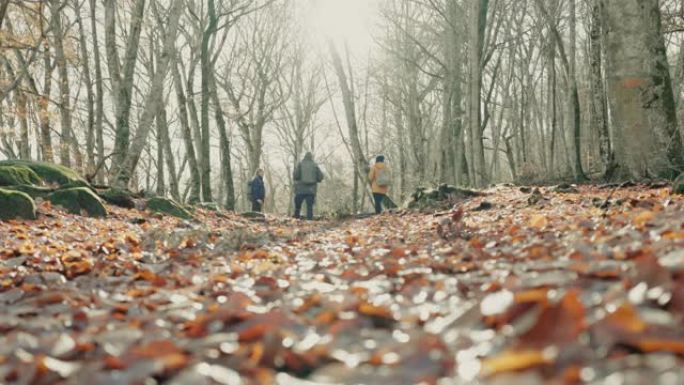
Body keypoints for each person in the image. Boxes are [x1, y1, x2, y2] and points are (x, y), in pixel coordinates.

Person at [293, 152, 324, 220]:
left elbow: (295, 176)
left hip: (300, 189)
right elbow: (320, 177)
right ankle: (309, 221)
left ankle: (296, 220)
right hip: (311, 190)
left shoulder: (300, 164)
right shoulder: (315, 165)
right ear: (311, 157)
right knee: (309, 207)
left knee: (297, 207)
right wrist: (316, 180)